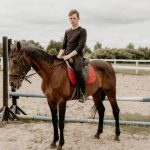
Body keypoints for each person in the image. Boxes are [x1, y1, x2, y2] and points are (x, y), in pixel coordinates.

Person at [57, 9, 87, 102]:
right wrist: (57, 58)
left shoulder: (82, 31)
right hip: (66, 55)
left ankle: (83, 93)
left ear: (78, 18)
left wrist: (69, 56)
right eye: (70, 18)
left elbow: (80, 47)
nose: (72, 20)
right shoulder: (67, 31)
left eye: (74, 18)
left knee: (78, 71)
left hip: (77, 56)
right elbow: (63, 47)